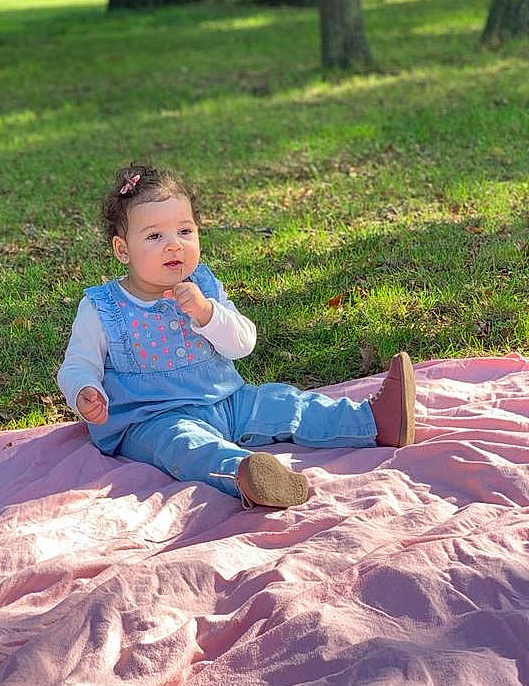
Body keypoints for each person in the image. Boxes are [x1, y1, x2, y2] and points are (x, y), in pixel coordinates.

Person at [57, 165, 416, 509]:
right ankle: (248, 475)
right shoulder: (104, 307)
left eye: (185, 231)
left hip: (228, 401)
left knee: (286, 404)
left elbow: (243, 343)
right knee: (186, 447)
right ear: (123, 250)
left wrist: (207, 313)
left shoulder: (204, 288)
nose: (174, 246)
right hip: (153, 419)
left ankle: (373, 423)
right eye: (155, 236)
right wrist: (85, 391)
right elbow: (77, 364)